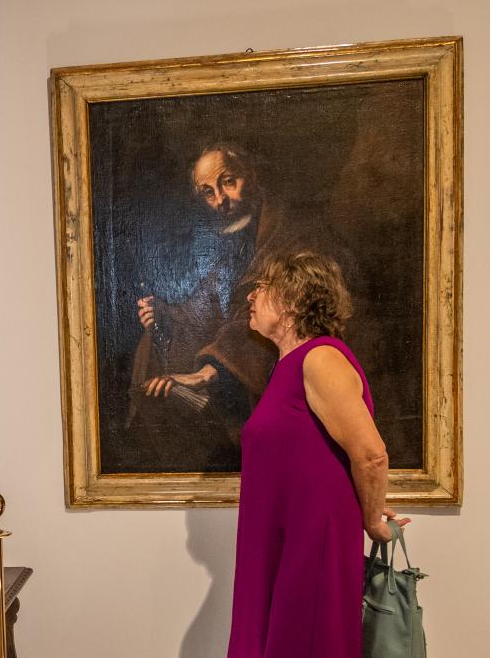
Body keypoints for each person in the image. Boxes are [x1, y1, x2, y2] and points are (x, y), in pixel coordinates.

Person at [221, 250, 408, 658]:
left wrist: (373, 520)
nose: (252, 298)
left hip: (314, 539)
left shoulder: (321, 358)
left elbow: (370, 450)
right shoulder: (289, 366)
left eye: (263, 289)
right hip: (290, 539)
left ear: (295, 301)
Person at [129, 145, 344, 467]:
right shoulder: (238, 241)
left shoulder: (293, 230)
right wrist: (168, 318)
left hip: (308, 374)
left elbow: (274, 315)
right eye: (207, 192)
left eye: (229, 182)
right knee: (151, 353)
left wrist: (209, 371)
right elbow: (210, 306)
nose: (220, 200)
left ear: (252, 176)